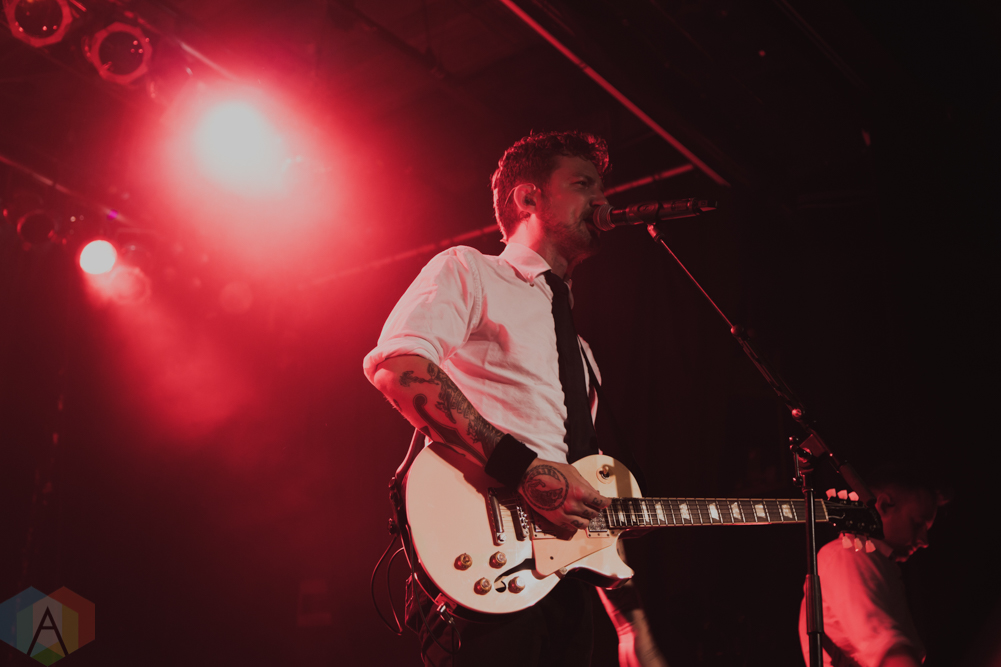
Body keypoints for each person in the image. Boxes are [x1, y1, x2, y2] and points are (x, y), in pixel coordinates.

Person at [363, 131, 666, 667]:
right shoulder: (471, 271)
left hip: (561, 588)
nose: (603, 199)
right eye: (583, 184)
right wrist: (522, 469)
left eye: (602, 187)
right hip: (482, 569)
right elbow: (399, 368)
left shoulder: (583, 354)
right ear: (528, 198)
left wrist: (629, 620)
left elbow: (587, 491)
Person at [799, 468, 945, 667]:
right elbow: (886, 648)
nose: (924, 541)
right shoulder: (849, 555)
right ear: (884, 506)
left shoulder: (871, 561)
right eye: (917, 524)